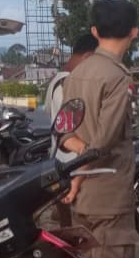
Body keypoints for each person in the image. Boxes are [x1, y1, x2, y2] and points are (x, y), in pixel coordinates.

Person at [58, 0, 139, 258]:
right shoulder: (117, 78)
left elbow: (63, 132)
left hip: (82, 189)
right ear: (134, 33)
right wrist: (89, 155)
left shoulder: (78, 73)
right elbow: (104, 144)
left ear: (94, 32)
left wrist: (78, 170)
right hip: (109, 188)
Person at [42, 33, 98, 228]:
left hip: (60, 162)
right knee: (81, 226)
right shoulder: (69, 83)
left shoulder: (55, 82)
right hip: (74, 164)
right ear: (88, 57)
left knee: (69, 226)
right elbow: (74, 127)